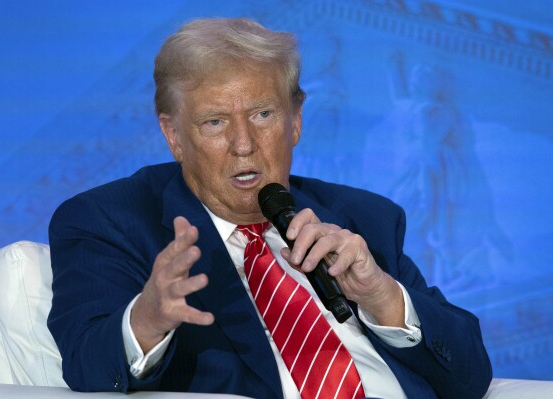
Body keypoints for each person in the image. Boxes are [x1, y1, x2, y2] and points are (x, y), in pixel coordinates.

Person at [47, 17, 492, 399]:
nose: (244, 145)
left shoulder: (363, 217)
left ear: (295, 120)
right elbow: (87, 364)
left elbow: (472, 374)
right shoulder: (110, 220)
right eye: (215, 122)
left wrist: (383, 297)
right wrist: (146, 320)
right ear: (174, 135)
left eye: (263, 115)